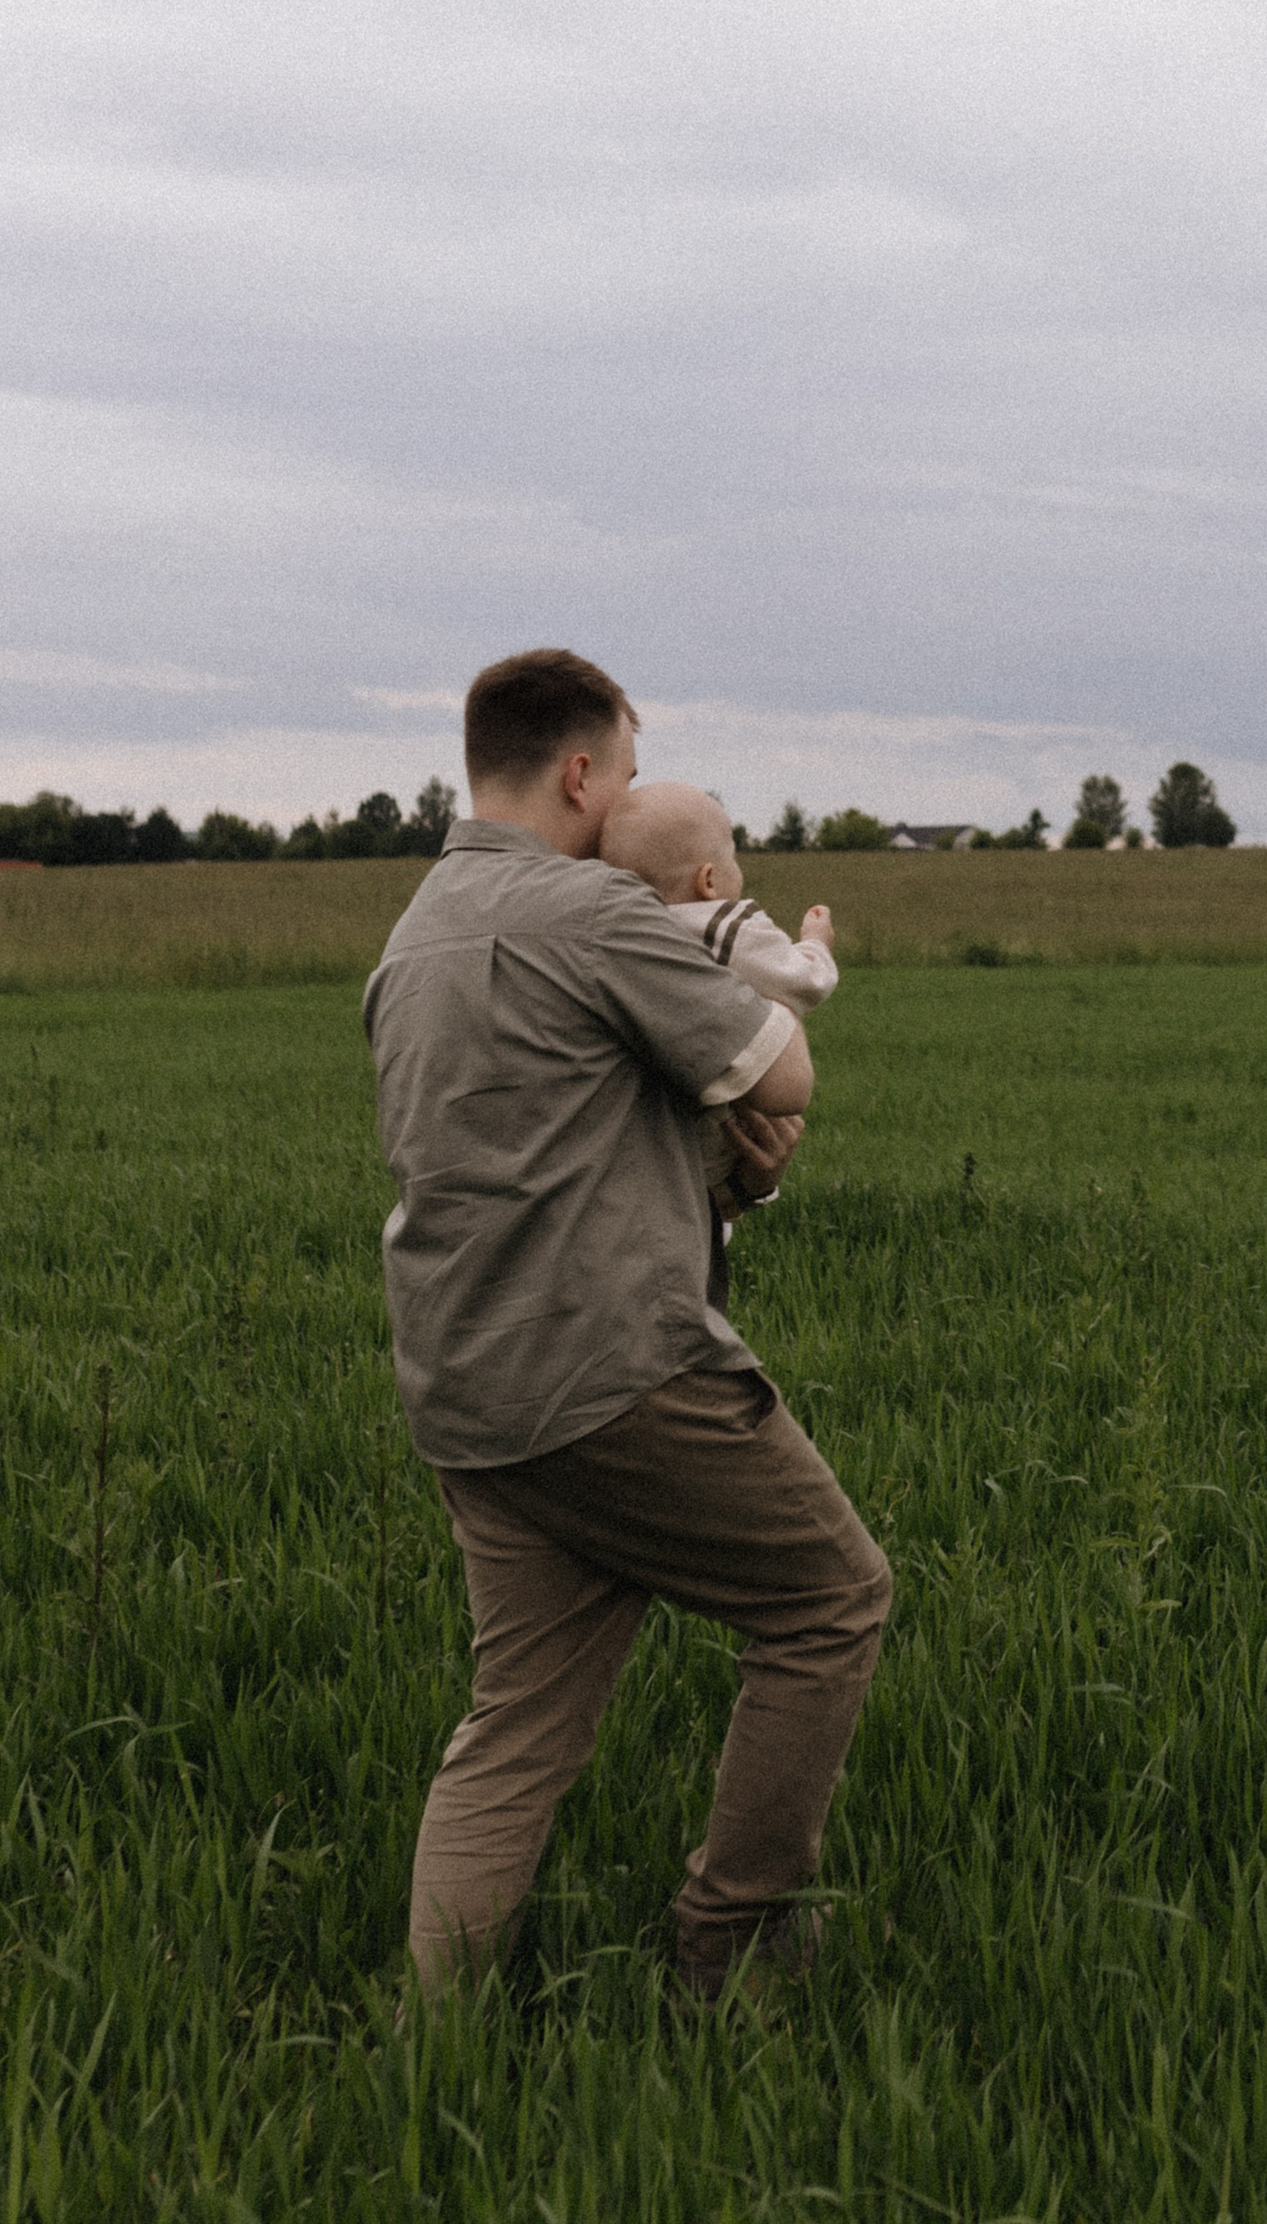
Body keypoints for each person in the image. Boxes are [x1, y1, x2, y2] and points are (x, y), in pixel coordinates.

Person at [364, 648, 893, 1997]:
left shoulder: (415, 931)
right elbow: (783, 1066)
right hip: (615, 1373)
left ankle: (433, 2041)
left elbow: (549, 1139)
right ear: (583, 772)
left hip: (469, 1392)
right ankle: (734, 1945)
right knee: (832, 1598)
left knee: (518, 1726)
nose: (639, 805)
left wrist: (718, 1167)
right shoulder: (590, 910)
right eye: (634, 774)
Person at [599, 779, 840, 1311]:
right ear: (709, 879)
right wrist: (815, 946)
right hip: (717, 1121)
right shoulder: (725, 924)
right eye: (733, 860)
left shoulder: (614, 933)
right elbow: (802, 984)